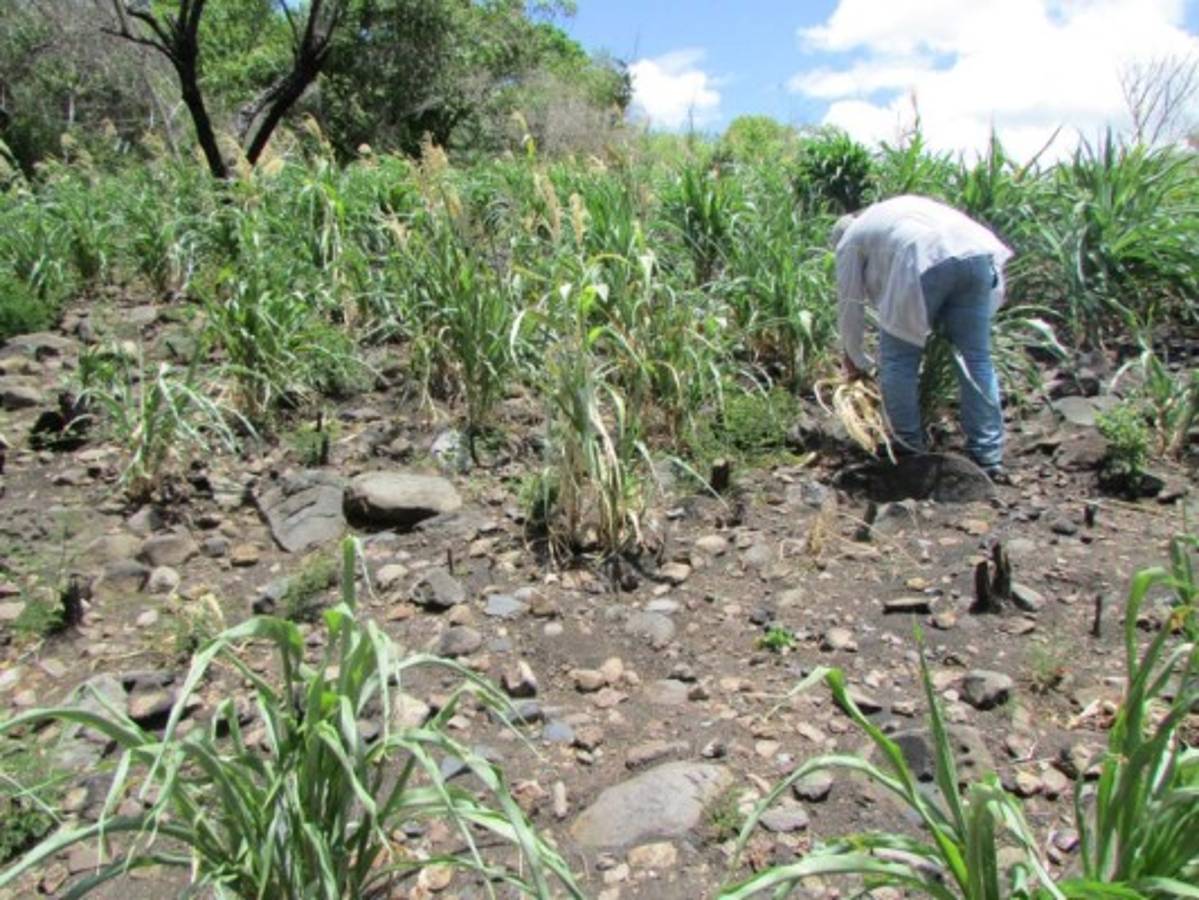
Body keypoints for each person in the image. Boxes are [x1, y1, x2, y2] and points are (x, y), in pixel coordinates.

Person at [831, 195, 1013, 478]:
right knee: (976, 359)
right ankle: (988, 456)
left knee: (899, 359)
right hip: (976, 253)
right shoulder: (891, 214)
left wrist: (853, 356)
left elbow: (849, 303)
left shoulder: (850, 239)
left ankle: (907, 447)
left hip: (923, 256)